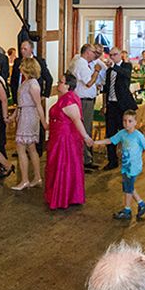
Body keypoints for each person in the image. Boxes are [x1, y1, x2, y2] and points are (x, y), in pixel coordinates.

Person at [92, 109, 145, 221]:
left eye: (130, 121)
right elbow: (111, 140)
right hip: (126, 166)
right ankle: (141, 204)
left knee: (128, 189)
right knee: (128, 186)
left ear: (135, 122)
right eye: (124, 121)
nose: (127, 123)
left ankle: (127, 210)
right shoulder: (122, 133)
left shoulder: (138, 136)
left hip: (133, 168)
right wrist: (96, 142)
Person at [45, 73, 93, 210]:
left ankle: (65, 196)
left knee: (63, 165)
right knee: (57, 165)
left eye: (61, 82)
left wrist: (86, 137)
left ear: (67, 85)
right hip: (57, 137)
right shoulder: (65, 98)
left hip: (64, 139)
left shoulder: (69, 100)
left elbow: (77, 120)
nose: (58, 84)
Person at [11, 57, 44, 190]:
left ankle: (25, 179)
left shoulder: (33, 84)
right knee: (31, 147)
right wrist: (14, 115)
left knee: (21, 147)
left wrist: (44, 122)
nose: (20, 67)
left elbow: (38, 104)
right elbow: (21, 103)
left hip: (29, 116)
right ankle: (36, 177)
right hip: (24, 114)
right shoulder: (27, 82)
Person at [101, 48, 137, 170]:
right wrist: (104, 105)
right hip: (111, 105)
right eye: (110, 55)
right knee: (110, 134)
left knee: (126, 134)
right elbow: (106, 88)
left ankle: (129, 160)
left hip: (123, 106)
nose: (112, 57)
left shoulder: (126, 66)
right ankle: (112, 160)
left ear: (120, 55)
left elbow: (126, 75)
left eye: (115, 54)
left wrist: (114, 66)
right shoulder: (109, 70)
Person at [70, 44, 103, 168]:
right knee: (85, 129)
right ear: (87, 52)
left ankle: (86, 158)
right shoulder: (81, 64)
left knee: (86, 128)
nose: (95, 55)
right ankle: (85, 159)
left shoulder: (85, 64)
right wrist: (97, 71)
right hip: (84, 101)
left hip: (87, 100)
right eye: (94, 52)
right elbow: (89, 83)